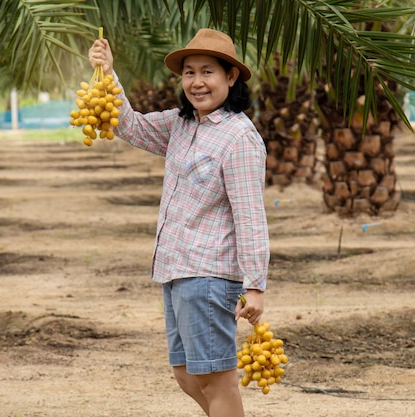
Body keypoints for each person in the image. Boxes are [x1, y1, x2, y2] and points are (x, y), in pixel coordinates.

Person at [88, 28, 269, 417]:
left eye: (208, 72)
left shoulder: (239, 138)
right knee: (186, 374)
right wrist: (107, 73)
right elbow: (128, 125)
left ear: (230, 77)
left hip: (209, 274)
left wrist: (255, 285)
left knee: (216, 379)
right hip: (175, 270)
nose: (197, 82)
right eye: (189, 72)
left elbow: (250, 216)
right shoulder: (180, 125)